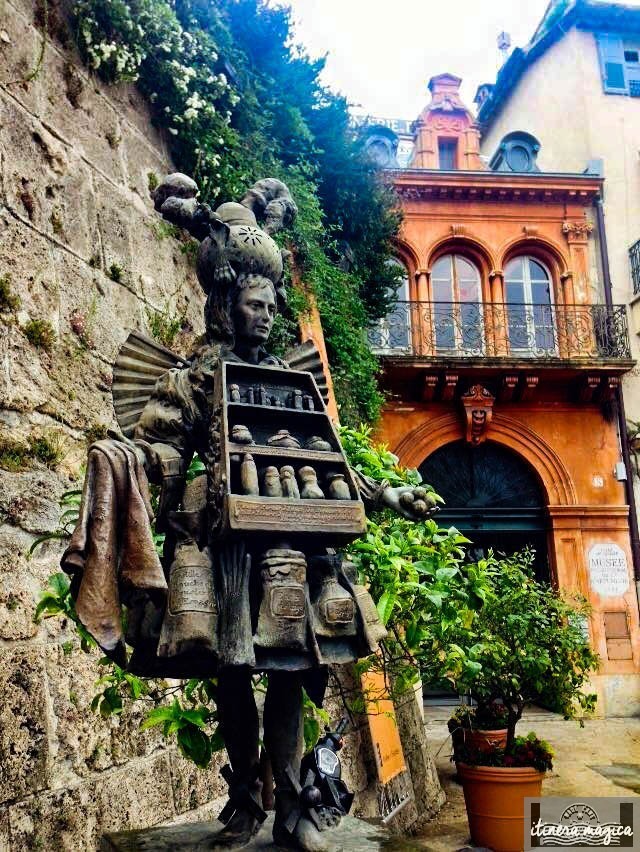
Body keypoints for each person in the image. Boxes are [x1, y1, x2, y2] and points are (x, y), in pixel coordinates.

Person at [63, 176, 436, 851]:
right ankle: (243, 801)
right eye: (254, 305)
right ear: (227, 304)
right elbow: (166, 447)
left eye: (271, 306)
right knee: (233, 674)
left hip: (298, 542)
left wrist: (385, 494)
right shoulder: (198, 374)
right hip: (227, 547)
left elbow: (330, 462)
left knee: (292, 676)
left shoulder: (294, 373)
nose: (265, 317)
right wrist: (130, 460)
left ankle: (293, 810)